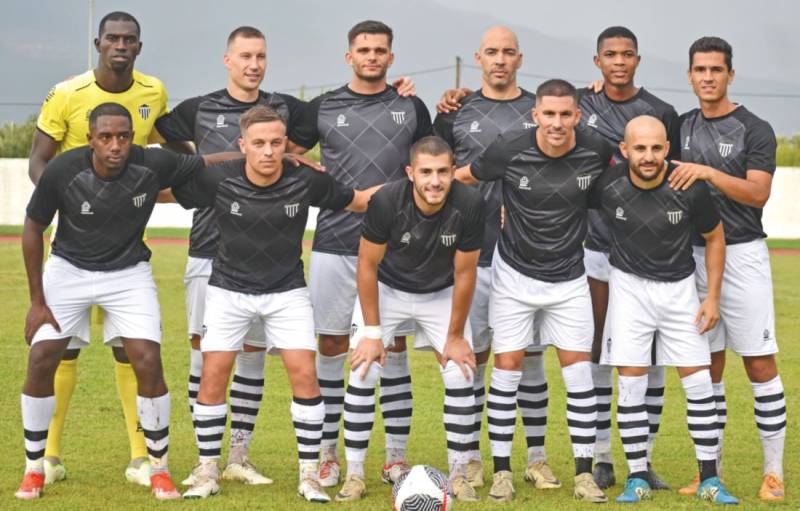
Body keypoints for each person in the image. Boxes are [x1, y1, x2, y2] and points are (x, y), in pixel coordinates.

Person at [15, 102, 232, 501]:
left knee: (147, 359)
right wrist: (37, 302)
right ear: (90, 139)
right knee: (42, 357)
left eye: (123, 136)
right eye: (106, 137)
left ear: (133, 137)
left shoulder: (152, 163)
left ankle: (159, 469)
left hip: (128, 272)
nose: (115, 145)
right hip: (68, 270)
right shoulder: (63, 170)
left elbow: (207, 162)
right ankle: (33, 469)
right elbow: (32, 229)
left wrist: (265, 157)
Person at [171, 105, 379, 502]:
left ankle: (309, 476)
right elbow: (166, 191)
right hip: (228, 291)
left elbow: (358, 201)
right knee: (213, 375)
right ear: (242, 145)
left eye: (276, 143)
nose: (268, 151)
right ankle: (207, 470)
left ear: (286, 145)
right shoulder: (218, 178)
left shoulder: (306, 179)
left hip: (286, 292)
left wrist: (419, 187)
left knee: (305, 375)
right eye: (259, 143)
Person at [154, 25, 307, 486]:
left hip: (267, 260)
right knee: (205, 355)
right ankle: (205, 460)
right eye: (245, 56)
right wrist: (192, 161)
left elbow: (332, 119)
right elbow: (159, 131)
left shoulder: (284, 108)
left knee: (253, 355)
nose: (253, 65)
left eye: (260, 56)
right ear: (228, 60)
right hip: (208, 250)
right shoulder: (198, 108)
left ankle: (239, 454)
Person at [27, 11, 172, 487]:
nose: (120, 46)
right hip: (72, 244)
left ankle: (140, 458)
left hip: (126, 245)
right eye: (112, 38)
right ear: (98, 43)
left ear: (138, 46)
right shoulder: (67, 93)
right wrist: (70, 202)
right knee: (61, 351)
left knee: (132, 353)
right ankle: (48, 457)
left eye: (129, 39)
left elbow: (169, 151)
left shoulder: (153, 91)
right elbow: (39, 161)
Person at [454, 79, 611, 503]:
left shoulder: (596, 149)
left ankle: (583, 475)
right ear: (535, 114)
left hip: (569, 278)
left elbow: (628, 177)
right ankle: (503, 472)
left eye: (565, 114)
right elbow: (463, 178)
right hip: (514, 277)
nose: (557, 122)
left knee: (579, 375)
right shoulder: (509, 147)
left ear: (577, 116)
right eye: (549, 114)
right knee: (506, 372)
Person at [291, 19, 432, 488]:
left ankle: (395, 458)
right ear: (349, 56)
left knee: (392, 348)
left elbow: (432, 163)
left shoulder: (411, 106)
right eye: (364, 50)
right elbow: (285, 155)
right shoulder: (322, 107)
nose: (372, 56)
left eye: (380, 50)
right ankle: (328, 454)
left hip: (395, 247)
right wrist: (321, 183)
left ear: (391, 57)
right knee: (332, 346)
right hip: (335, 242)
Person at [433, 26, 559, 492]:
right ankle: (469, 459)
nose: (500, 59)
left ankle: (537, 459)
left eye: (508, 52)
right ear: (478, 57)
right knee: (472, 359)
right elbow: (438, 176)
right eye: (492, 52)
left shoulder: (539, 111)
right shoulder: (454, 112)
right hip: (470, 254)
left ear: (519, 59)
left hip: (528, 258)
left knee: (529, 360)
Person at [591, 115, 737, 504]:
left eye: (656, 148)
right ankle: (636, 477)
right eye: (640, 148)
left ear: (667, 149)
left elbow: (715, 237)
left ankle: (710, 479)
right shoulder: (608, 184)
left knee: (699, 383)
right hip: (629, 290)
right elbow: (566, 204)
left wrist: (712, 296)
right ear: (625, 150)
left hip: (680, 291)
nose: (649, 156)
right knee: (631, 383)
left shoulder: (689, 186)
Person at [338, 136, 485, 502]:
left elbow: (465, 272)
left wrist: (455, 337)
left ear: (453, 171)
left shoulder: (470, 203)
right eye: (426, 172)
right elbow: (367, 265)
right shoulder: (387, 200)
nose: (435, 181)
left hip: (440, 292)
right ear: (410, 173)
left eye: (442, 172)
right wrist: (373, 333)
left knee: (461, 372)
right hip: (388, 290)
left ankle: (459, 475)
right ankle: (354, 475)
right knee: (362, 369)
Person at [672, 36, 785, 502]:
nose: (708, 77)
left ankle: (773, 473)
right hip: (691, 258)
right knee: (706, 368)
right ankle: (709, 472)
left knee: (758, 364)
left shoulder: (754, 129)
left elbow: (758, 193)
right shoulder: (680, 125)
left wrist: (708, 173)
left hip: (741, 255)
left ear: (730, 75)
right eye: (700, 69)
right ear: (690, 75)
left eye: (716, 69)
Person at [579, 26, 680, 490]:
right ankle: (601, 455)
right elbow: (535, 113)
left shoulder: (662, 112)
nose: (618, 62)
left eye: (627, 54)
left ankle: (645, 458)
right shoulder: (580, 104)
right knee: (600, 351)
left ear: (638, 59)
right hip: (598, 249)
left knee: (653, 357)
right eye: (610, 55)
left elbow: (673, 177)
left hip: (650, 256)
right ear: (597, 61)